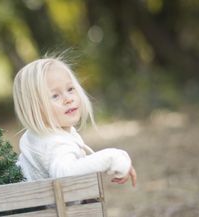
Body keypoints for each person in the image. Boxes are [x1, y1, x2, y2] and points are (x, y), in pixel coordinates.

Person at [13, 57, 137, 186]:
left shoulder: (42, 136)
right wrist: (111, 158)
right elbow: (65, 173)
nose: (68, 99)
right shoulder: (54, 143)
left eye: (70, 89)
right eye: (55, 96)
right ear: (34, 109)